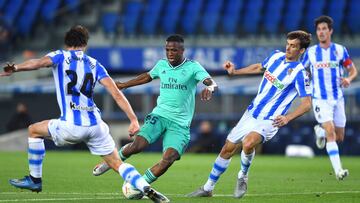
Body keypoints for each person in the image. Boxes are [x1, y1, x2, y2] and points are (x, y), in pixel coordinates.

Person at [0, 25, 169, 203]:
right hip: (96, 126)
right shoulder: (95, 64)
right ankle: (145, 187)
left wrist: (16, 68)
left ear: (67, 42)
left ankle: (35, 179)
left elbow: (37, 63)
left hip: (71, 125)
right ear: (85, 44)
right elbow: (117, 94)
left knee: (33, 130)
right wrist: (133, 120)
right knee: (116, 163)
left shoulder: (59, 56)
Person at [188, 30, 312, 199]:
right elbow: (259, 67)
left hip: (270, 119)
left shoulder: (300, 73)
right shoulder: (276, 57)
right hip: (251, 112)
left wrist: (287, 117)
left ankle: (242, 176)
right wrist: (235, 72)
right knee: (227, 149)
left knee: (248, 143)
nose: (288, 48)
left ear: (302, 50)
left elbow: (307, 104)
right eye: (288, 44)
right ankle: (208, 188)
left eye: (293, 46)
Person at [92, 34, 218, 186]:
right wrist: (125, 85)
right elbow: (147, 76)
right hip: (160, 115)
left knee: (169, 158)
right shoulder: (162, 65)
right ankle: (110, 162)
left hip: (180, 123)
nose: (170, 53)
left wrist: (209, 88)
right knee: (137, 146)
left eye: (174, 50)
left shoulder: (193, 67)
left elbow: (211, 82)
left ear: (182, 51)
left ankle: (140, 185)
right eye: (167, 50)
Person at [302, 15, 357, 180]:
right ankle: (339, 171)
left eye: (324, 29)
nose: (321, 32)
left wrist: (348, 79)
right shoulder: (311, 52)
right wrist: (305, 86)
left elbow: (353, 70)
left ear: (330, 31)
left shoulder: (340, 50)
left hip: (338, 99)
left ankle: (320, 131)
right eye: (318, 29)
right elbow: (302, 70)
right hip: (320, 98)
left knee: (339, 136)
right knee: (331, 132)